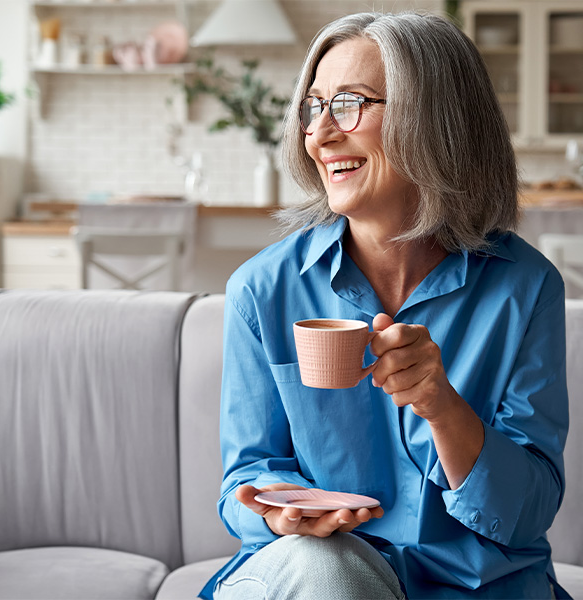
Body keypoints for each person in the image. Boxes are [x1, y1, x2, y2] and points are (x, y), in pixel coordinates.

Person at [200, 10, 570, 600]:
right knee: (325, 574)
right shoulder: (262, 290)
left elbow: (526, 513)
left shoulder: (525, 290)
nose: (319, 135)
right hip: (320, 573)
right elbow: (245, 479)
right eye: (313, 107)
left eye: (349, 103)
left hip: (477, 587)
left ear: (436, 121)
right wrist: (277, 513)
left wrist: (442, 406)